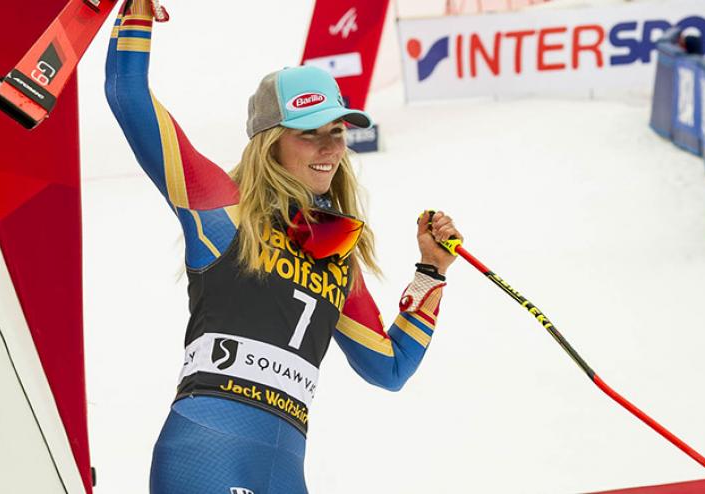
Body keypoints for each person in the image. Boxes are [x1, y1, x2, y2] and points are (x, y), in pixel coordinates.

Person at [104, 2, 461, 492]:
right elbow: (127, 93)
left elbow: (389, 368)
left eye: (336, 133)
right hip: (206, 454)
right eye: (309, 135)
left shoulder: (335, 255)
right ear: (270, 143)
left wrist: (430, 273)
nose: (330, 148)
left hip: (284, 470)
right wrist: (137, 13)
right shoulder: (222, 208)